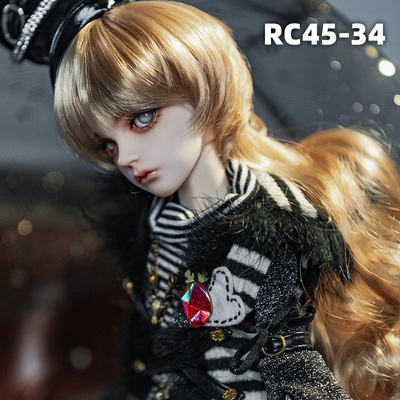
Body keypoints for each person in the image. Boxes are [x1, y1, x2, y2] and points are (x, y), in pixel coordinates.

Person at [3, 1, 400, 399]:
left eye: (143, 118)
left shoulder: (267, 226)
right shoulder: (158, 226)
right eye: (108, 144)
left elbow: (287, 360)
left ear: (203, 88)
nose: (125, 157)